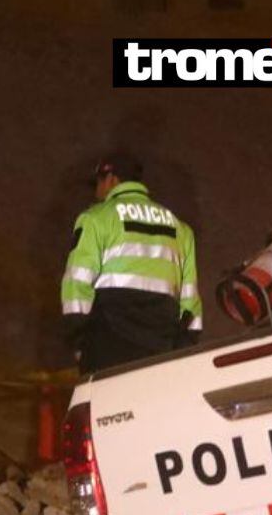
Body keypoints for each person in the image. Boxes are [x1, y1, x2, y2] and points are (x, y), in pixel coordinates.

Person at [61, 153, 201, 374]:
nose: (97, 190)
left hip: (109, 345)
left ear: (111, 179)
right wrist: (186, 346)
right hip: (161, 348)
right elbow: (190, 301)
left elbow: (77, 283)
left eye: (98, 182)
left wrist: (79, 340)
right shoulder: (181, 230)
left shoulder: (95, 219)